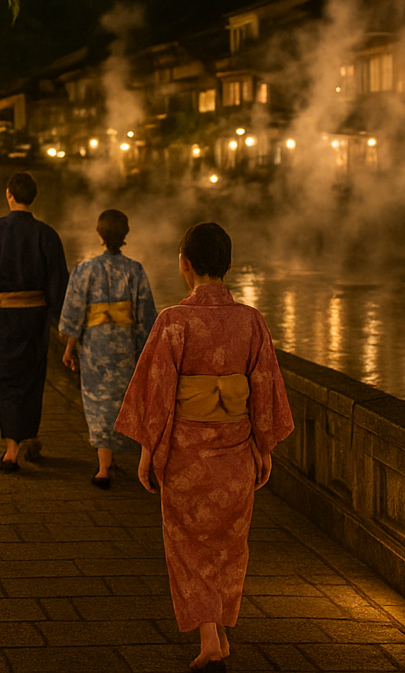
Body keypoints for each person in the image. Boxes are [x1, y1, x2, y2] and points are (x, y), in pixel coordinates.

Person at [115, 221, 294, 673]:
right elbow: (264, 388)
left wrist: (146, 451)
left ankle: (209, 635)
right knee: (230, 546)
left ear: (185, 265)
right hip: (235, 450)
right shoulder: (251, 321)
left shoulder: (174, 321)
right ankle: (219, 627)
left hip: (184, 453)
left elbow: (156, 394)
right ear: (228, 266)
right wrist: (264, 447)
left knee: (187, 544)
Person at [0, 171, 67, 471]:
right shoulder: (47, 235)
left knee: (5, 378)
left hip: (4, 317)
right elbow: (58, 282)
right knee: (33, 376)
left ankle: (11, 449)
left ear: (9, 194)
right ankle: (28, 436)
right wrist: (65, 327)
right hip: (36, 317)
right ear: (33, 197)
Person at [58, 208, 157, 488]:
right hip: (125, 347)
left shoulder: (85, 269)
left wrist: (69, 347)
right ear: (125, 235)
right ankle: (140, 461)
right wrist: (141, 349)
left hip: (95, 348)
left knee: (98, 403)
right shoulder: (135, 270)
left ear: (99, 234)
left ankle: (103, 467)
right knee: (127, 401)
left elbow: (74, 313)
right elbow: (145, 316)